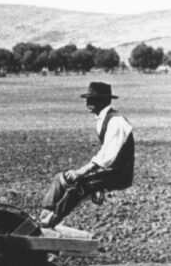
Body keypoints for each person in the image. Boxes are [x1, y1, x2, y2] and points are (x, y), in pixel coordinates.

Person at [39, 81, 134, 229]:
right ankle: (43, 215)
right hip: (107, 171)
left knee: (79, 186)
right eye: (88, 99)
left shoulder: (116, 121)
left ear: (104, 100)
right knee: (60, 179)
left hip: (119, 174)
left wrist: (82, 172)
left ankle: (49, 223)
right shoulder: (102, 119)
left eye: (93, 99)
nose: (88, 102)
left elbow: (108, 156)